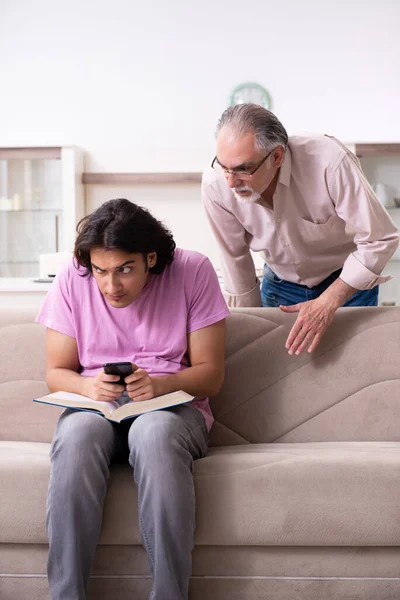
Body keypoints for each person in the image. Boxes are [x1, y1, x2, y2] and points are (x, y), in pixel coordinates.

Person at [35, 198, 229, 600]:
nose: (111, 286)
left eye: (125, 270)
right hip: (96, 407)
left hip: (174, 409)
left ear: (151, 258)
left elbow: (211, 376)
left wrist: (159, 386)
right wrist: (89, 388)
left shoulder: (192, 270)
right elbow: (57, 373)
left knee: (154, 433)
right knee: (77, 437)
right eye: (101, 272)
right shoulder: (73, 277)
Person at [202, 103, 399, 355]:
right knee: (277, 373)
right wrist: (247, 330)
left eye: (243, 169)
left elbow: (380, 238)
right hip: (280, 284)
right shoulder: (215, 184)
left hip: (346, 280)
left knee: (353, 373)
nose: (230, 181)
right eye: (224, 166)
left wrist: (329, 301)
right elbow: (235, 259)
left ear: (277, 156)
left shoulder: (329, 161)